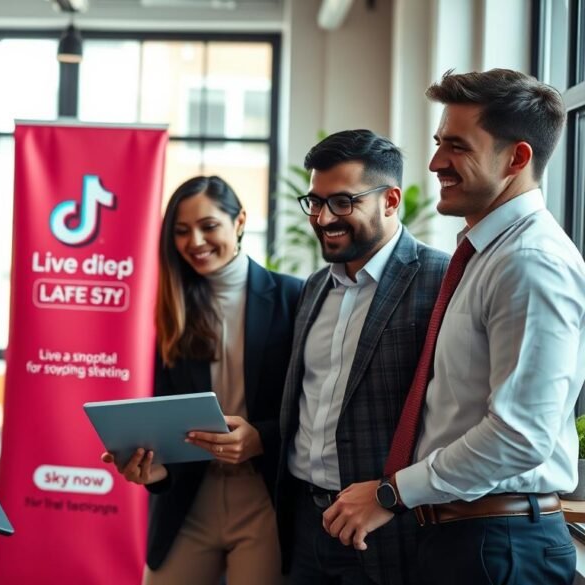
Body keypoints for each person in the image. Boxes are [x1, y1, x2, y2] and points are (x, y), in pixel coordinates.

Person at [324, 69, 585, 585]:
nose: (435, 161)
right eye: (440, 141)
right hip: (466, 539)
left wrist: (390, 492)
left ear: (517, 158)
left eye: (458, 146)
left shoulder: (530, 261)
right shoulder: (482, 255)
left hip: (500, 547)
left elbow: (519, 437)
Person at [102, 176, 302, 584]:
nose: (195, 241)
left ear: (240, 221)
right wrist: (152, 471)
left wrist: (261, 437)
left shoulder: (295, 298)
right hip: (188, 502)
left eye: (208, 226)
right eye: (181, 231)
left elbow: (317, 407)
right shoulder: (167, 310)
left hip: (263, 498)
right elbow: (162, 418)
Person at [276, 129, 449, 585]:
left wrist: (394, 499)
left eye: (342, 202)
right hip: (304, 521)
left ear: (390, 201)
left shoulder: (443, 279)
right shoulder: (314, 287)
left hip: (389, 529)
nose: (322, 217)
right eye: (314, 201)